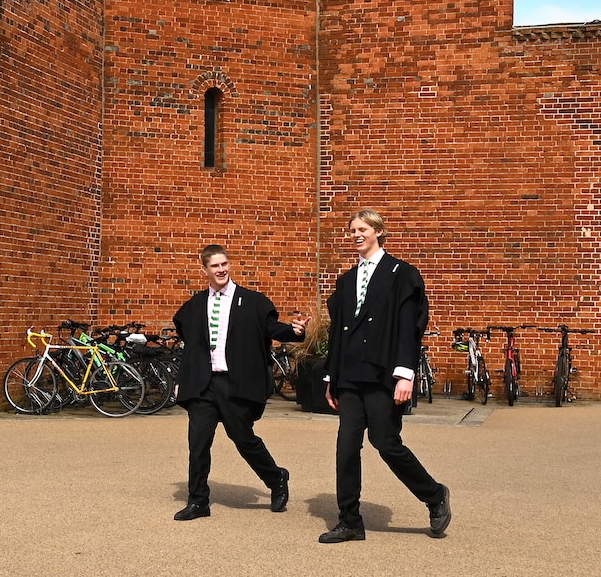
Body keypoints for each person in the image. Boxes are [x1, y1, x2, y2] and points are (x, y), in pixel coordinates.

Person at [319, 209, 451, 543]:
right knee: (346, 446)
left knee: (385, 442)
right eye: (352, 230)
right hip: (349, 376)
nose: (356, 234)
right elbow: (339, 333)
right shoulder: (346, 280)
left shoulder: (401, 274)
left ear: (378, 231)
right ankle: (349, 520)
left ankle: (434, 495)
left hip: (383, 374)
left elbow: (410, 327)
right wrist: (330, 378)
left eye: (362, 229)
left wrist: (406, 374)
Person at [170, 243, 305, 521]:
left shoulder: (252, 301)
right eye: (214, 266)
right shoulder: (195, 306)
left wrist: (294, 332)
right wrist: (183, 380)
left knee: (243, 439)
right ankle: (198, 501)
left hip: (234, 385)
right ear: (204, 269)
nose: (221, 270)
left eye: (224, 264)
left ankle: (276, 477)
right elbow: (191, 345)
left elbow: (270, 328)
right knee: (198, 443)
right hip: (203, 386)